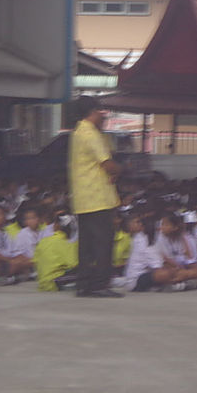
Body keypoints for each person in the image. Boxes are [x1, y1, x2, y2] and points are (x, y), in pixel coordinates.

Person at [68, 95, 123, 298]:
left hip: (84, 197)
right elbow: (107, 163)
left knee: (87, 244)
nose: (103, 115)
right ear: (93, 112)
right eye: (100, 111)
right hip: (97, 196)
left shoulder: (78, 132)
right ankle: (100, 284)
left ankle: (84, 284)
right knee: (103, 243)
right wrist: (121, 169)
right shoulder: (91, 134)